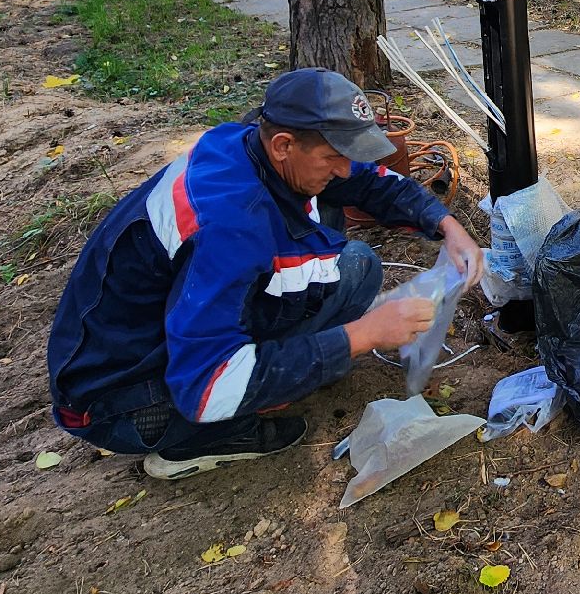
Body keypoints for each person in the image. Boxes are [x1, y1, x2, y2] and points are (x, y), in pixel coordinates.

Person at [46, 68, 483, 480]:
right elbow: (207, 385)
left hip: (162, 329)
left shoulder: (252, 145)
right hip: (122, 399)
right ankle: (194, 441)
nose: (345, 170)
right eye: (334, 156)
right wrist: (362, 335)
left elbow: (367, 180)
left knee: (356, 266)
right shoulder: (230, 226)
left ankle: (274, 363)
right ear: (283, 146)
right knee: (243, 374)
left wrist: (446, 226)